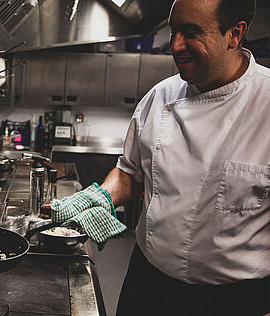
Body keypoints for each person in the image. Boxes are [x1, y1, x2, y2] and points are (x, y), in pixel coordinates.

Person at [51, 0, 270, 315]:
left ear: (234, 34)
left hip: (234, 301)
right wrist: (101, 196)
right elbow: (130, 171)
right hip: (148, 285)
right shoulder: (159, 97)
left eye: (191, 33)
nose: (176, 45)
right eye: (174, 31)